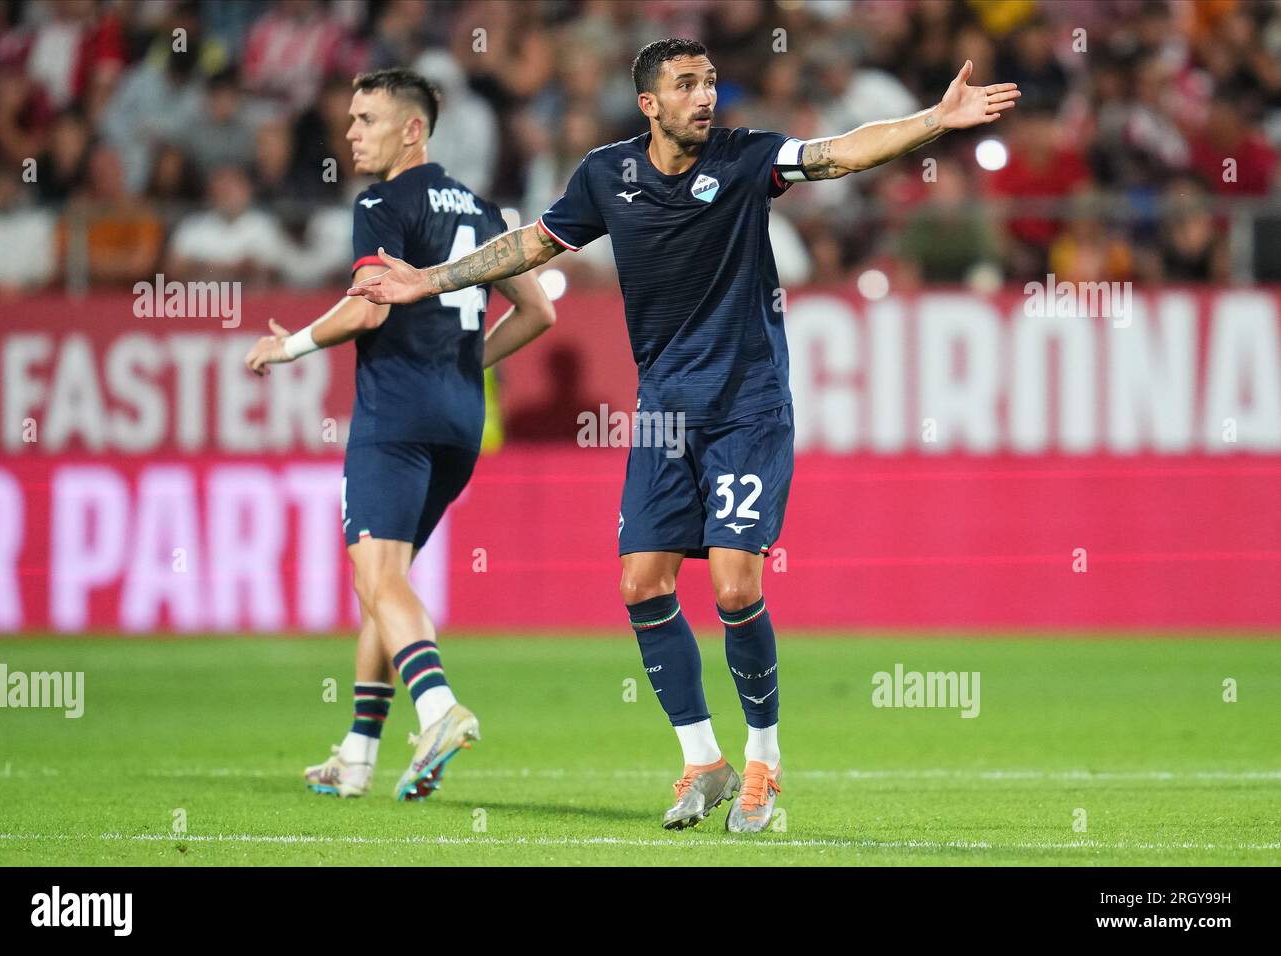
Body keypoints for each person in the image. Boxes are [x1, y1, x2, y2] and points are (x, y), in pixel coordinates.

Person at [346, 39, 1017, 831]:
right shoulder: (607, 175)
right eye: (687, 85)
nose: (706, 96)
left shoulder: (745, 160)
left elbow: (839, 154)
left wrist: (932, 122)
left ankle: (765, 762)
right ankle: (703, 761)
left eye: (709, 82)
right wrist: (427, 279)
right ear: (649, 105)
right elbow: (532, 243)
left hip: (746, 405)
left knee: (735, 588)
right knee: (641, 584)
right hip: (664, 412)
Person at [244, 68, 555, 800]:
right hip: (460, 419)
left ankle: (440, 709)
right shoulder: (483, 209)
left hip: (395, 418)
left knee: (378, 578)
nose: (350, 132)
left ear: (412, 129)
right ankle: (356, 755)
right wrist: (468, 361)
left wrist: (285, 348)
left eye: (366, 119)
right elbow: (540, 312)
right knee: (382, 586)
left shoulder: (382, 201)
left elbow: (368, 311)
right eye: (349, 118)